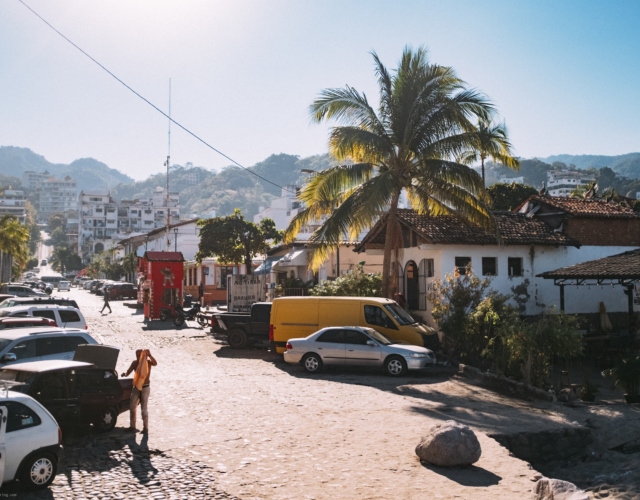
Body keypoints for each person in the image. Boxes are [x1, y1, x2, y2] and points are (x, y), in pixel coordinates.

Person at [122, 349, 157, 433]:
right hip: (137, 387)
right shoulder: (134, 363)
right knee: (132, 406)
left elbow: (155, 363)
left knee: (144, 408)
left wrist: (150, 355)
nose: (138, 357)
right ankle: (132, 426)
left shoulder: (147, 362)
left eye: (139, 355)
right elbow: (128, 371)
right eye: (137, 355)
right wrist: (125, 374)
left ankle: (145, 428)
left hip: (145, 387)